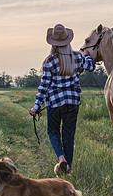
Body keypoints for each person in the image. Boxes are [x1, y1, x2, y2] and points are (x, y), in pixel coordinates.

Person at [29, 24, 95, 175]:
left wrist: (36, 106)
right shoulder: (77, 57)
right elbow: (91, 67)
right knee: (68, 135)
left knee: (53, 132)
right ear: (68, 40)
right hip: (73, 102)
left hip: (54, 102)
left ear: (53, 42)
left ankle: (61, 159)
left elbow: (44, 86)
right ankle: (68, 169)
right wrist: (85, 56)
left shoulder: (49, 61)